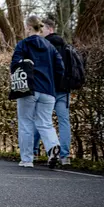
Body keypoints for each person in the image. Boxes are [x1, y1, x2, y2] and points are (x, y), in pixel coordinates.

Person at [11, 14, 64, 169]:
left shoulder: (23, 44)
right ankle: (53, 146)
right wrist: (52, 83)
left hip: (28, 89)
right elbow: (60, 68)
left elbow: (14, 66)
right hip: (48, 90)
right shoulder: (50, 47)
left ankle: (27, 160)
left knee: (26, 122)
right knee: (45, 123)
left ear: (28, 28)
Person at [33, 15, 72, 165]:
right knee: (64, 122)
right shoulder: (65, 46)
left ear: (49, 29)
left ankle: (34, 152)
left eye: (42, 29)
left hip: (47, 89)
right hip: (63, 90)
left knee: (41, 120)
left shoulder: (43, 46)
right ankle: (65, 156)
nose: (40, 32)